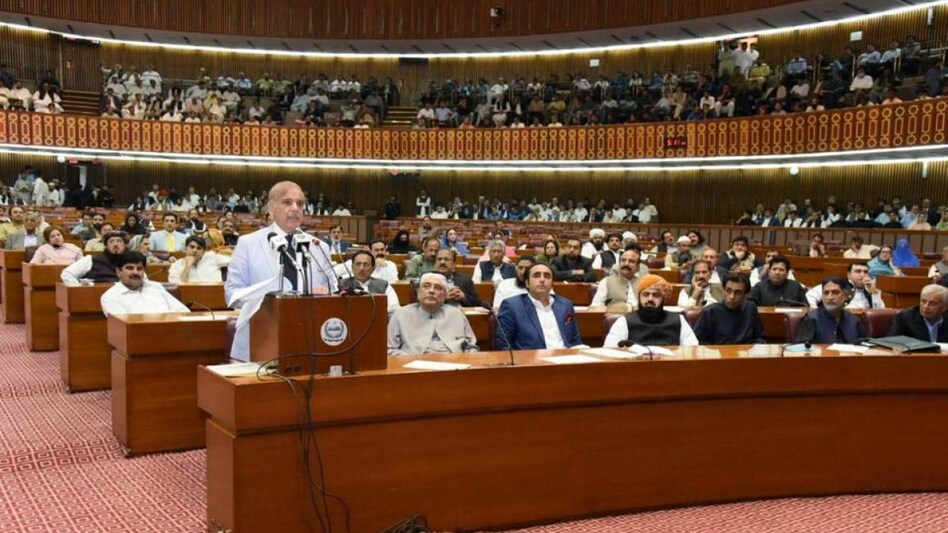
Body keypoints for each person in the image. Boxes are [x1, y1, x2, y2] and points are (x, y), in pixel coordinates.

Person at [225, 181, 337, 361]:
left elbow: (333, 291)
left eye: (300, 204)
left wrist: (326, 294)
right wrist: (270, 295)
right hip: (259, 341)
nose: (295, 208)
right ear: (271, 208)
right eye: (287, 202)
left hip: (308, 343)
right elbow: (232, 295)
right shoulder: (248, 243)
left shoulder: (319, 247)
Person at [495, 263, 584, 350]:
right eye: (536, 276)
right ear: (527, 283)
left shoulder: (565, 305)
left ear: (552, 283)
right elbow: (504, 346)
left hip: (566, 360)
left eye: (547, 276)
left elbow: (575, 341)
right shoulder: (512, 306)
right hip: (533, 362)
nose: (542, 279)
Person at [387, 272, 478, 355]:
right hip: (413, 366)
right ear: (418, 292)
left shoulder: (457, 314)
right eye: (426, 286)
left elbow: (471, 346)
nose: (431, 291)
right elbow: (389, 349)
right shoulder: (400, 315)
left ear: (445, 295)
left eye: (438, 288)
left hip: (454, 365)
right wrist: (410, 359)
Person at [603, 274, 698, 348]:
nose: (650, 299)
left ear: (663, 299)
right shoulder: (624, 321)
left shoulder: (679, 320)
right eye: (646, 294)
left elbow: (692, 349)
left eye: (656, 295)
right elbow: (609, 349)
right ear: (639, 297)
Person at [100, 252, 190, 317]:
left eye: (139, 268)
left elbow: (184, 311)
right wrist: (166, 316)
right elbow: (126, 325)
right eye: (130, 268)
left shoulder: (156, 287)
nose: (135, 272)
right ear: (118, 272)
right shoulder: (111, 296)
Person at [694, 274, 766, 344]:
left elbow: (760, 337)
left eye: (737, 292)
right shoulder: (710, 311)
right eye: (728, 290)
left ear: (745, 295)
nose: (731, 296)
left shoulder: (750, 308)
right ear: (723, 291)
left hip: (746, 354)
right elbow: (697, 340)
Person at [795, 277, 867, 344]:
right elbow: (801, 348)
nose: (830, 297)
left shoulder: (853, 319)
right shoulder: (812, 318)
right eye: (826, 293)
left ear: (846, 296)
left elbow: (866, 343)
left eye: (835, 292)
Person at [805, 262, 884, 309]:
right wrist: (816, 313)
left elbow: (880, 313)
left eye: (865, 272)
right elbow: (810, 296)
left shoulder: (870, 290)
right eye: (858, 271)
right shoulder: (837, 284)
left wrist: (874, 293)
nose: (862, 275)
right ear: (849, 275)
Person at [61, 231, 129, 285]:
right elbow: (67, 274)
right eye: (111, 241)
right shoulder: (91, 259)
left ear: (125, 245)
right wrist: (80, 289)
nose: (115, 244)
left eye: (119, 241)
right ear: (106, 245)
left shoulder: (134, 262)